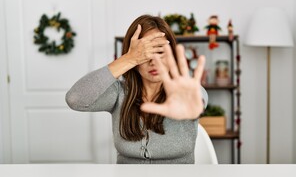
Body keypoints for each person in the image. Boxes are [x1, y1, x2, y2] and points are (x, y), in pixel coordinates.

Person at [66, 15, 208, 164]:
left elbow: (198, 97)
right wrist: (129, 59)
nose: (154, 62)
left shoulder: (186, 91)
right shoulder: (118, 93)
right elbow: (75, 99)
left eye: (160, 52)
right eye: (145, 54)